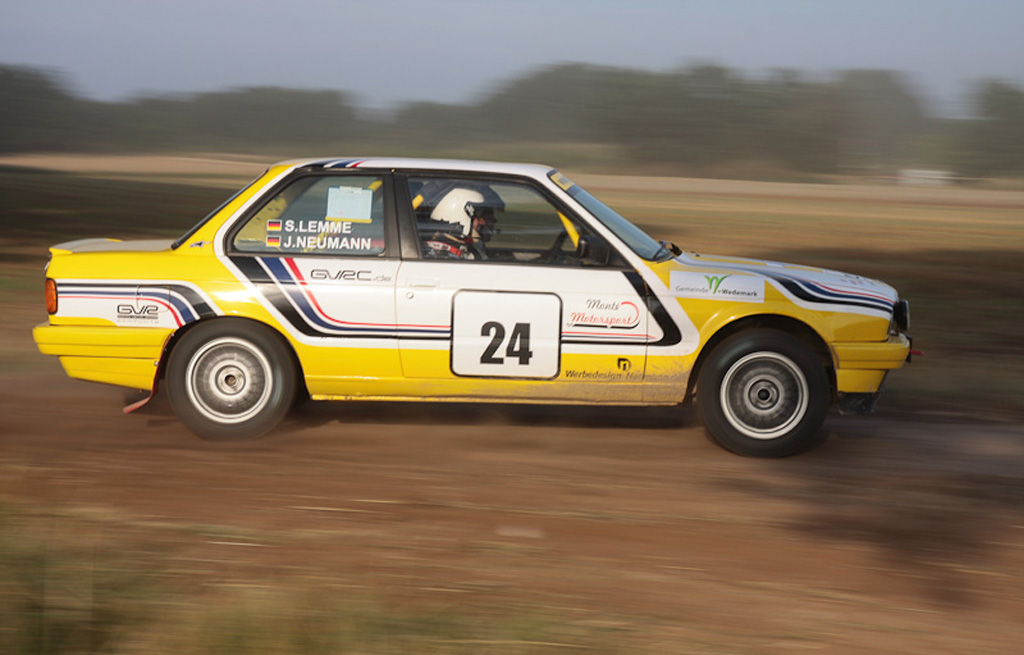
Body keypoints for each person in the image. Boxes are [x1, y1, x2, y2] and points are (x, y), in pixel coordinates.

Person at [421, 187, 499, 260]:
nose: (483, 222)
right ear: (461, 218)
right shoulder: (442, 257)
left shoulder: (456, 250)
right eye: (479, 218)